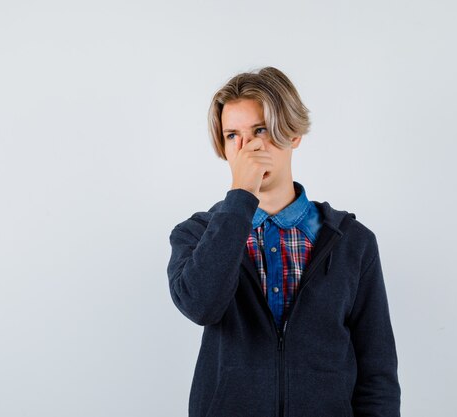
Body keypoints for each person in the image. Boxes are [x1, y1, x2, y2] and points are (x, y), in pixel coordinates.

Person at [166, 66, 401, 417]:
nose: (249, 147)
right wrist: (241, 195)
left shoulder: (353, 242)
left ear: (293, 134)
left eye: (260, 130)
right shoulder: (196, 234)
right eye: (233, 135)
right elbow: (202, 306)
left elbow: (377, 373)